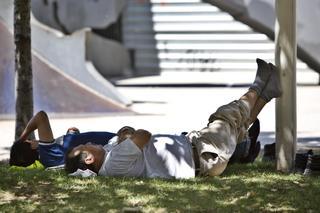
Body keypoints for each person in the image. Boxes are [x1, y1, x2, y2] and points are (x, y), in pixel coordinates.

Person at [65, 58, 282, 178]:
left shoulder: (110, 151)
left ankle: (267, 92)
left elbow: (126, 132)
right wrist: (128, 135)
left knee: (237, 125)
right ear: (89, 160)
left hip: (196, 146)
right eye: (86, 146)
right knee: (227, 115)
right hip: (203, 156)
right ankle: (258, 85)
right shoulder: (113, 163)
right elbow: (142, 135)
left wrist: (126, 134)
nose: (89, 142)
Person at [9, 111, 116, 168]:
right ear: (31, 146)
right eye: (30, 140)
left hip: (109, 143)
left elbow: (66, 149)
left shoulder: (50, 156)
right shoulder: (47, 152)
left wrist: (70, 134)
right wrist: (22, 137)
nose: (34, 140)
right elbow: (41, 116)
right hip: (111, 142)